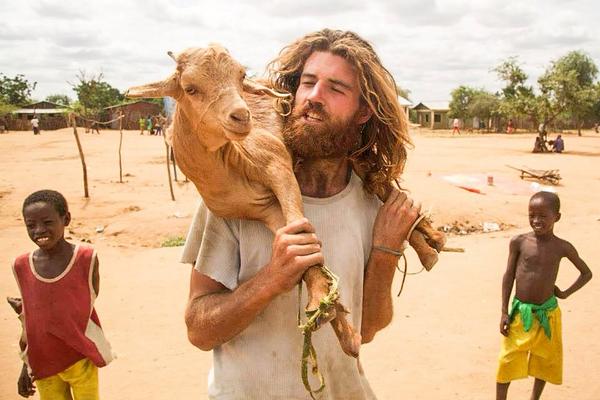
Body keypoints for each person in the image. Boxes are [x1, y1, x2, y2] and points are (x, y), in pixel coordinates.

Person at [181, 29, 418, 399]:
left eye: (335, 89)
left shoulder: (372, 202)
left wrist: (387, 250)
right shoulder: (233, 192)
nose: (313, 97)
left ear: (364, 112)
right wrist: (272, 279)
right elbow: (198, 329)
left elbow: (366, 329)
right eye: (307, 83)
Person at [12, 190, 113, 399]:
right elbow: (29, 322)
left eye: (48, 222)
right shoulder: (21, 266)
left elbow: (86, 301)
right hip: (43, 363)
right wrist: (26, 364)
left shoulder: (86, 258)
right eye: (30, 225)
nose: (39, 230)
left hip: (80, 358)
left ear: (66, 219)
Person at [496, 191, 592, 400]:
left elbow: (587, 273)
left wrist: (565, 293)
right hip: (520, 313)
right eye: (532, 215)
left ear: (557, 217)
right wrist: (504, 311)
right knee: (507, 360)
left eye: (542, 216)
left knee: (544, 361)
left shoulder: (562, 247)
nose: (536, 221)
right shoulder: (519, 242)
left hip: (547, 314)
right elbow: (509, 275)